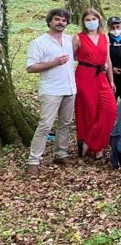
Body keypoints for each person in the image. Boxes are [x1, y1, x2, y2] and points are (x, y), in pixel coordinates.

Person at [25, 9, 77, 176]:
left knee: (66, 123)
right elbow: (31, 67)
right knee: (45, 125)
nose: (60, 22)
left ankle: (60, 154)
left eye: (63, 20)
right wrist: (52, 63)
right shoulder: (39, 42)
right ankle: (33, 160)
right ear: (49, 21)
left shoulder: (69, 40)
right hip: (51, 90)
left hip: (69, 88)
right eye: (57, 19)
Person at [73, 9, 118, 159]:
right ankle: (96, 149)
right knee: (89, 112)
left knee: (110, 110)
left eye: (94, 18)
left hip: (101, 76)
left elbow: (108, 61)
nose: (91, 21)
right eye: (88, 19)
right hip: (84, 75)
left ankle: (90, 142)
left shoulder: (104, 37)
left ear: (99, 20)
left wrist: (111, 80)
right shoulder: (78, 38)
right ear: (83, 22)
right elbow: (72, 57)